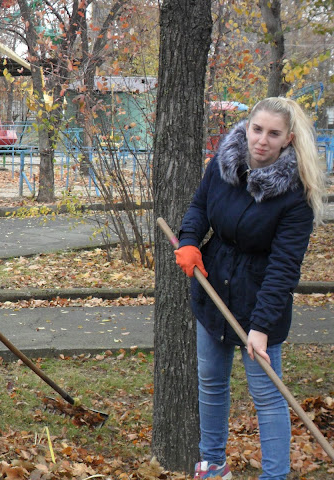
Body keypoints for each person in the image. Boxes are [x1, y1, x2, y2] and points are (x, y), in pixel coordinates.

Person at [175, 97, 324, 480]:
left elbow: (283, 269)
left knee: (267, 395)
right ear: (247, 127)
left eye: (273, 134)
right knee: (210, 381)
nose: (262, 140)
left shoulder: (296, 197)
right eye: (257, 129)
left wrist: (260, 328)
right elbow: (199, 207)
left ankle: (274, 475)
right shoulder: (223, 165)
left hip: (261, 300)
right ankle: (212, 466)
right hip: (214, 292)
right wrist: (189, 240)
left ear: (288, 139)